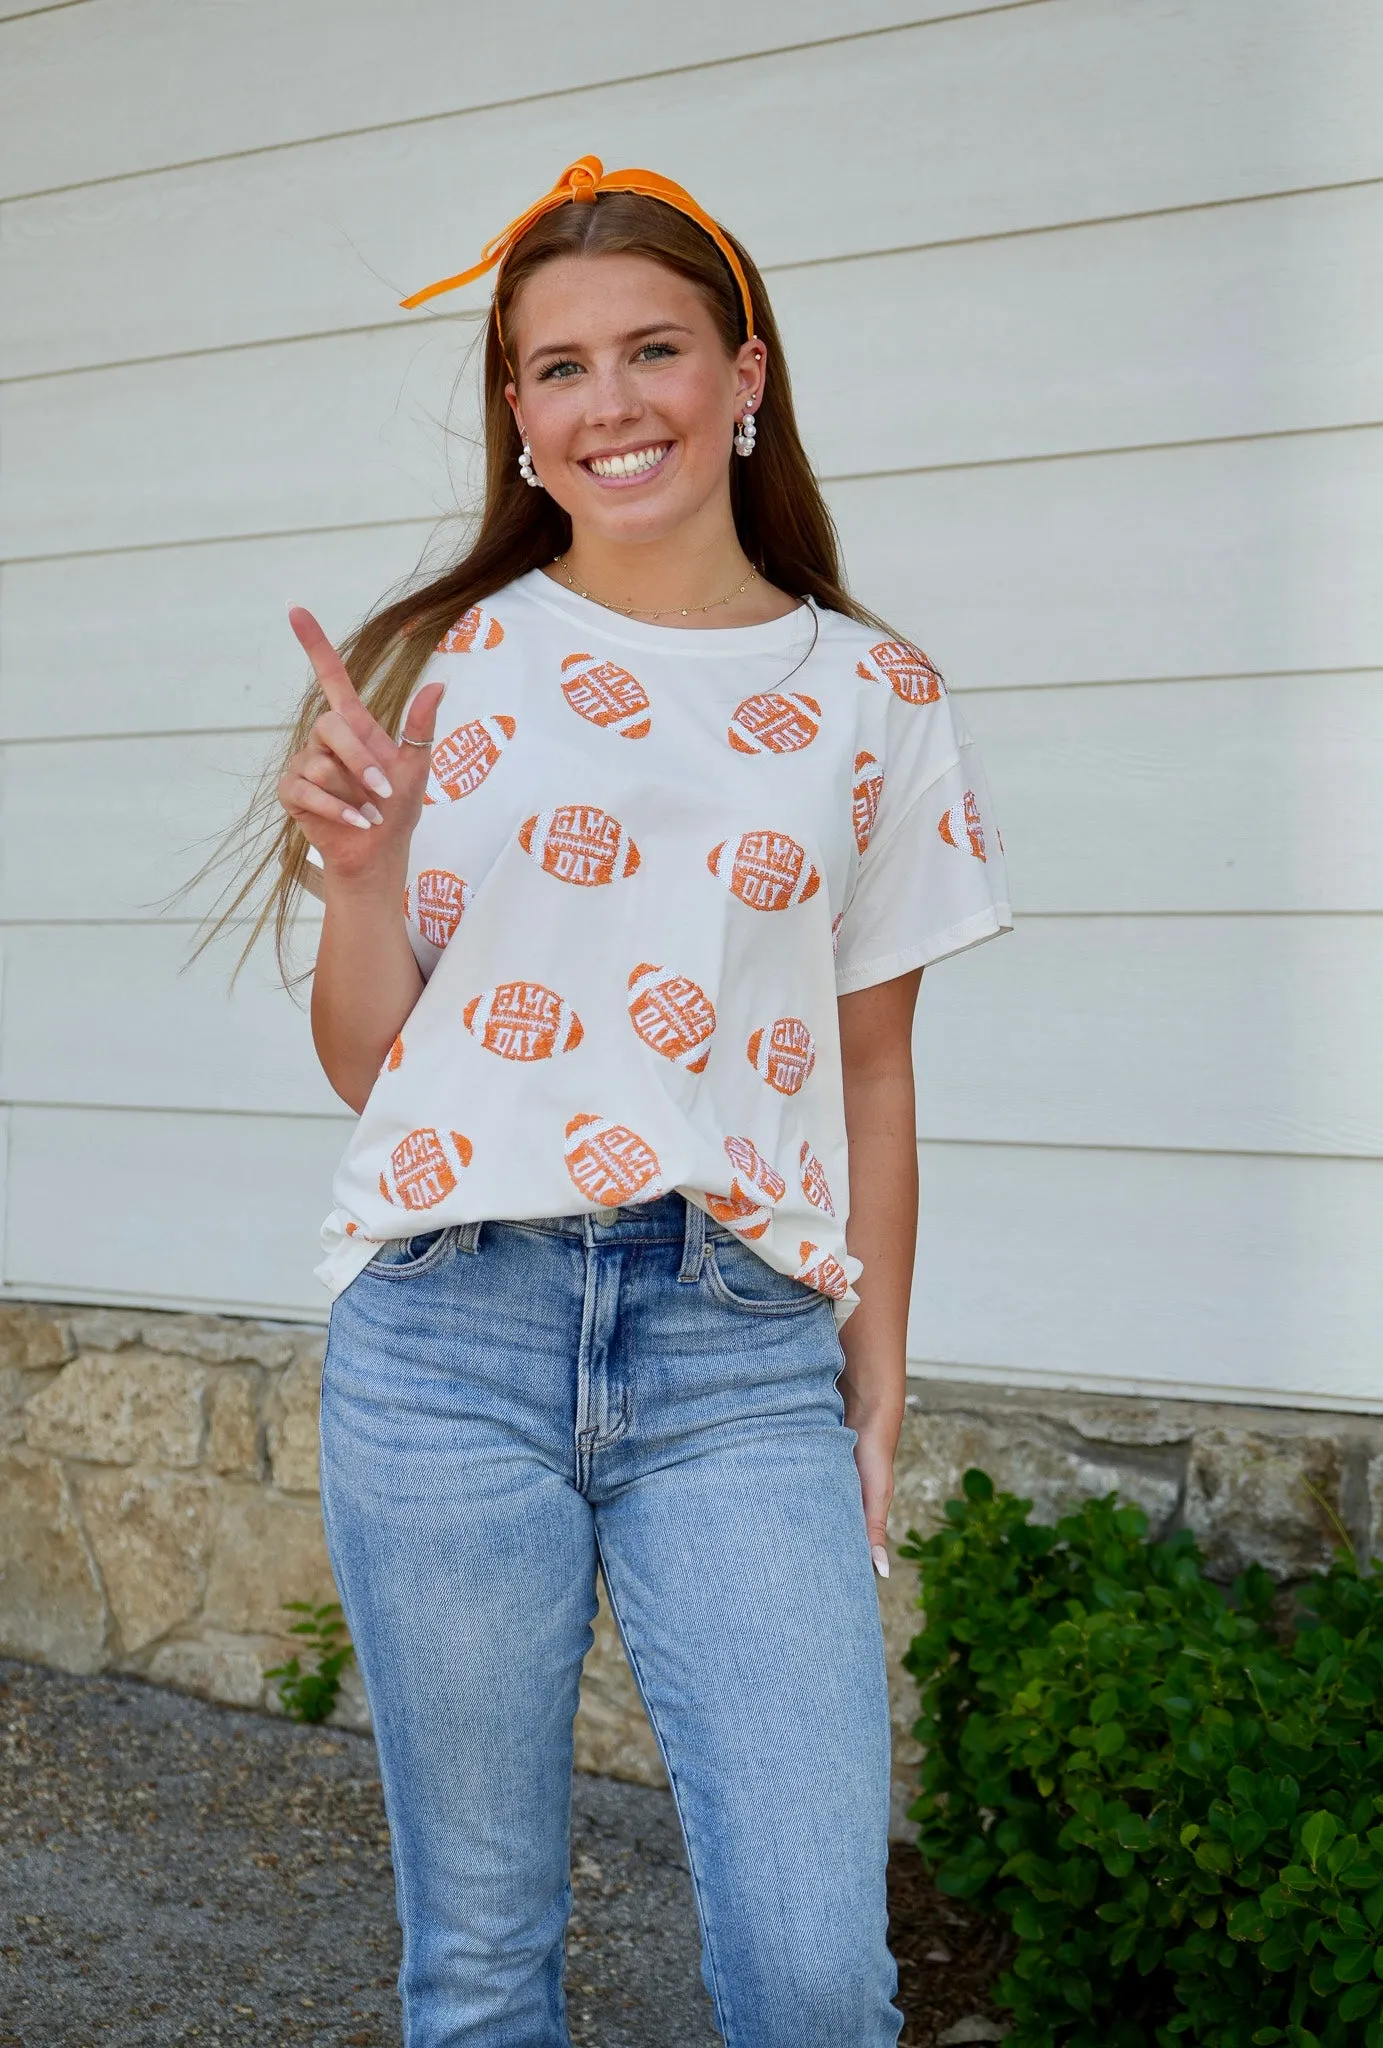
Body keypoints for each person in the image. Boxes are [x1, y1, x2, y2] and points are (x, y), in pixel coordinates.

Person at [255, 155, 1011, 2047]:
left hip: (736, 1350)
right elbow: (380, 1070)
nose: (613, 405)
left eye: (654, 350)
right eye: (560, 368)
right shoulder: (461, 665)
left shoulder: (873, 694)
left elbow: (874, 1066)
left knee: (819, 1972)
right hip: (449, 1332)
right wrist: (359, 881)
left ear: (743, 375)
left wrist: (877, 1370)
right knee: (486, 1962)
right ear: (516, 414)